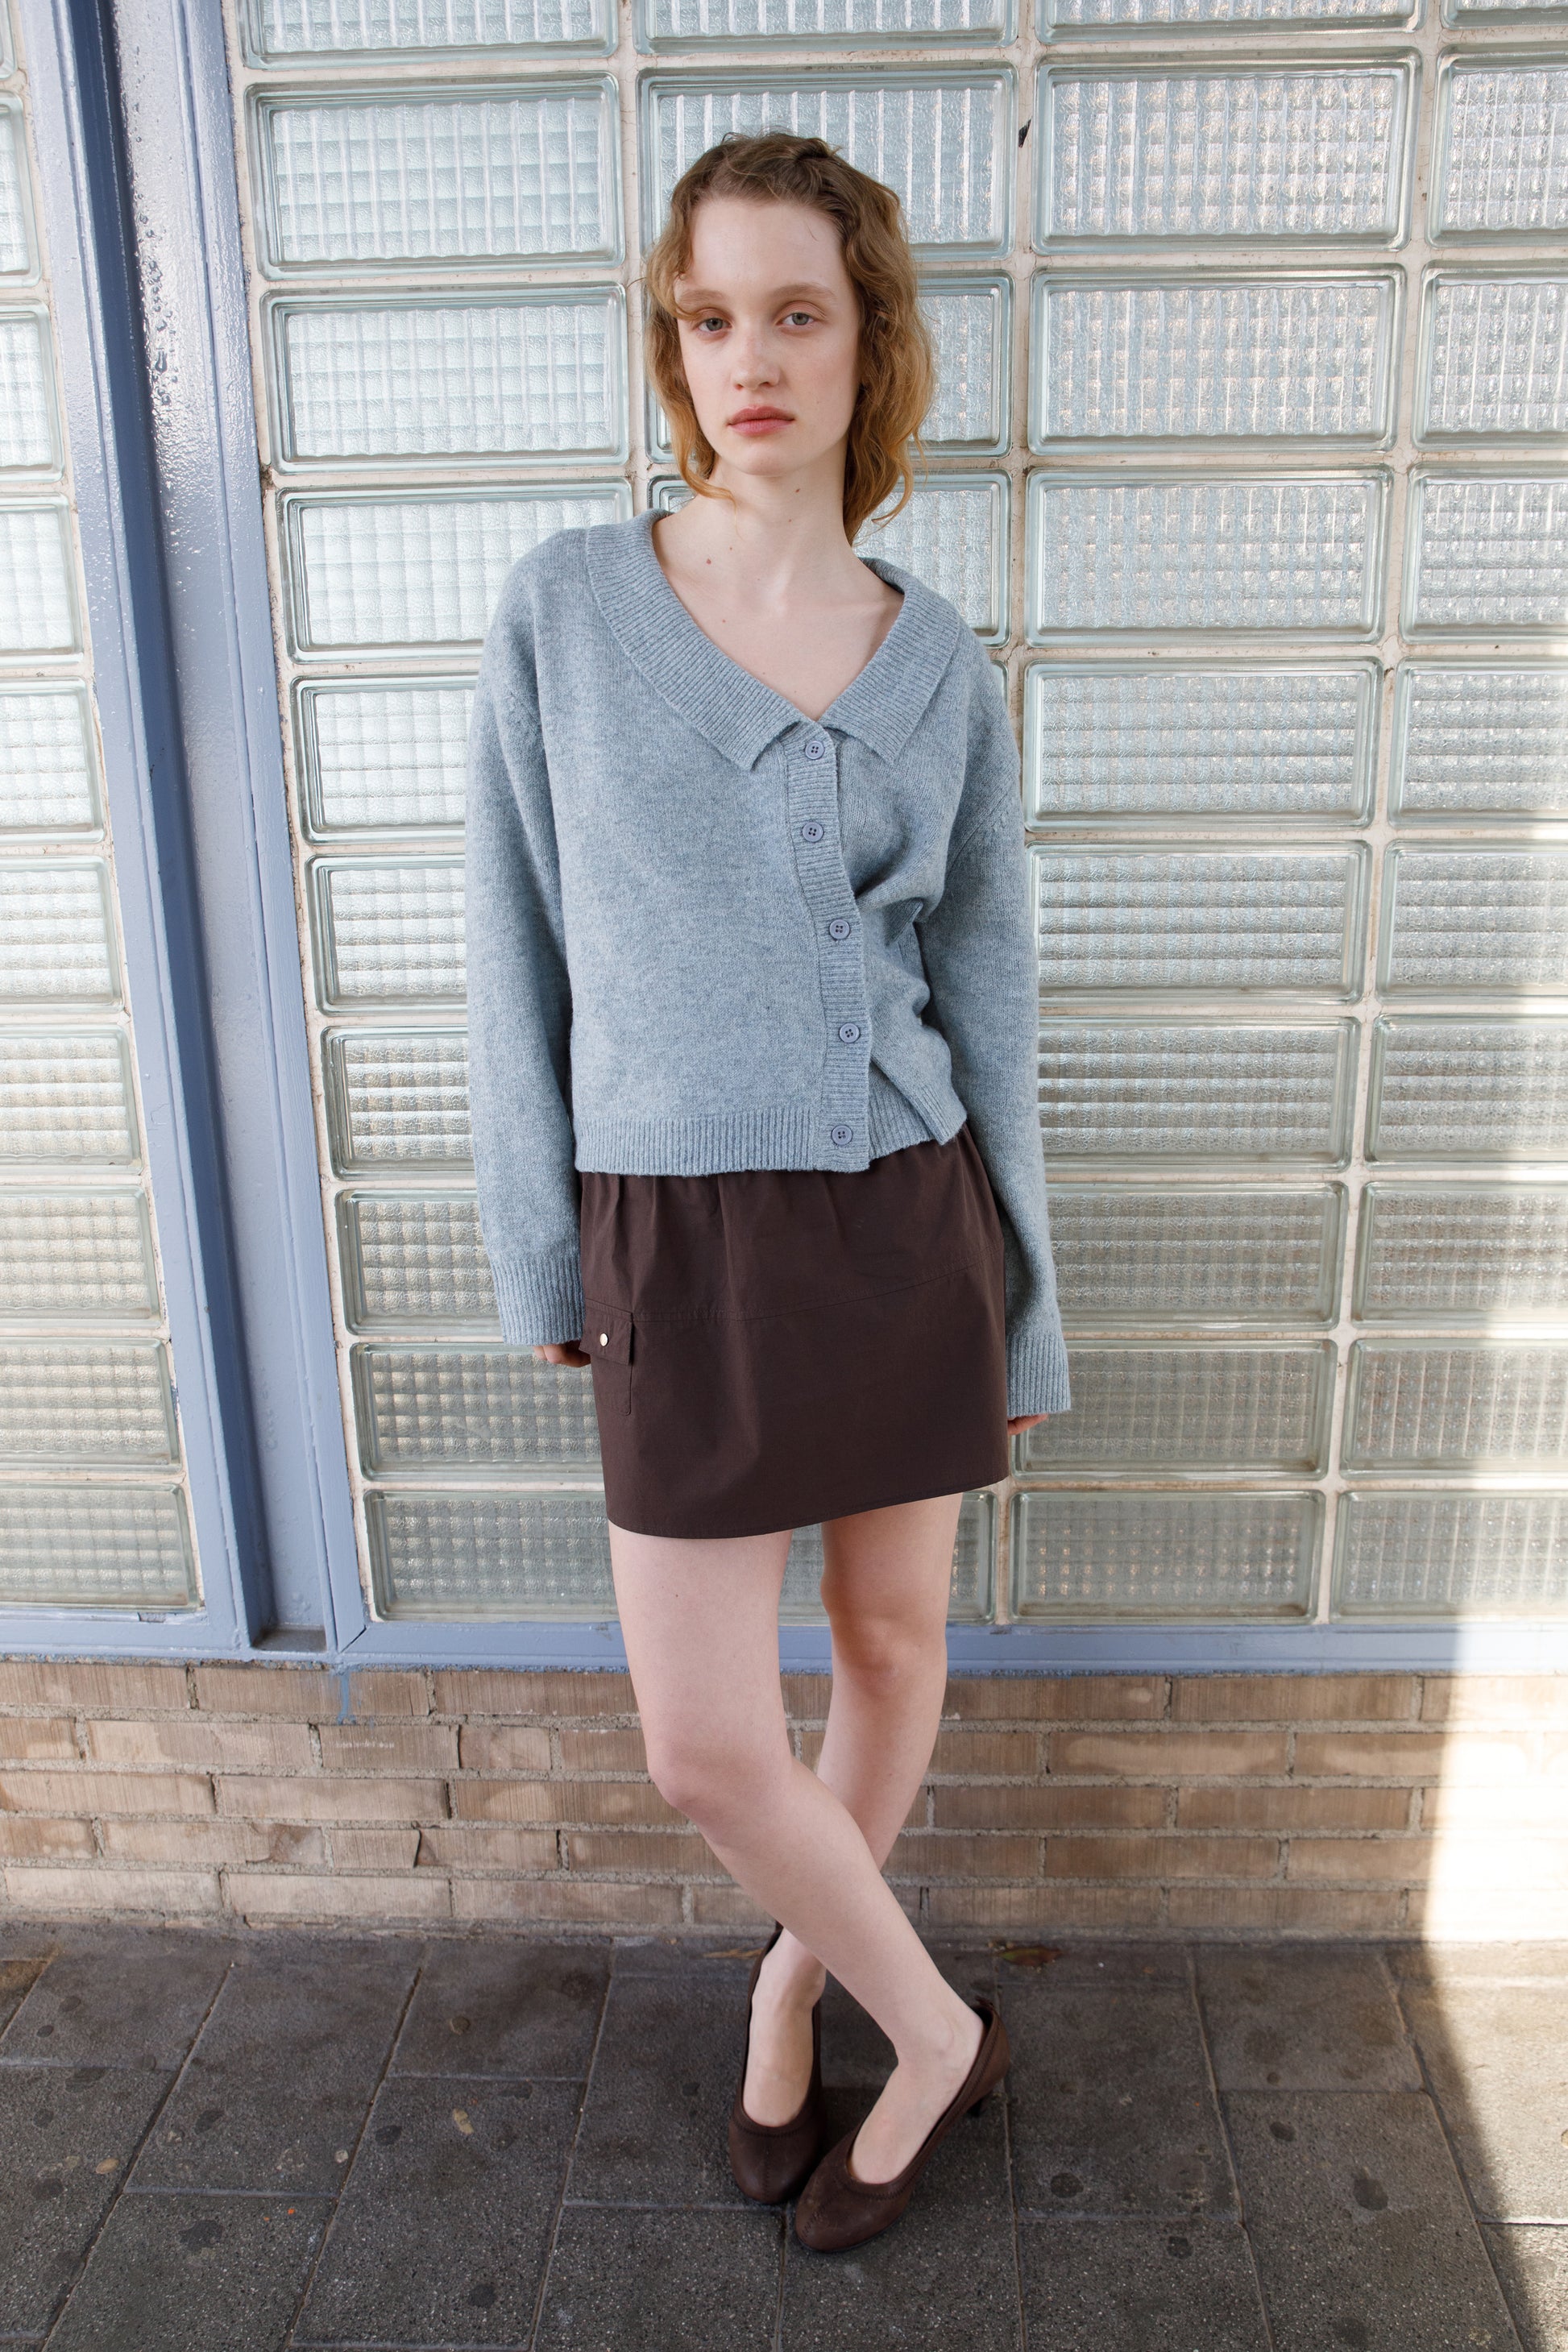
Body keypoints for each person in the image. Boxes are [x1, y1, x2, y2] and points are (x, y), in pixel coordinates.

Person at [463, 131, 1070, 2254]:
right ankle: (931, 2024)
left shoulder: (936, 650)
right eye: (708, 314)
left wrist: (1026, 1308)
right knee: (706, 1744)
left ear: (865, 345)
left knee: (890, 1647)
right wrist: (541, 1240)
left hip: (906, 1223)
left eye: (795, 311)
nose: (749, 356)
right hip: (678, 1240)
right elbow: (510, 945)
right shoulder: (564, 608)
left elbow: (983, 995)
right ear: (672, 343)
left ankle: (798, 1988)